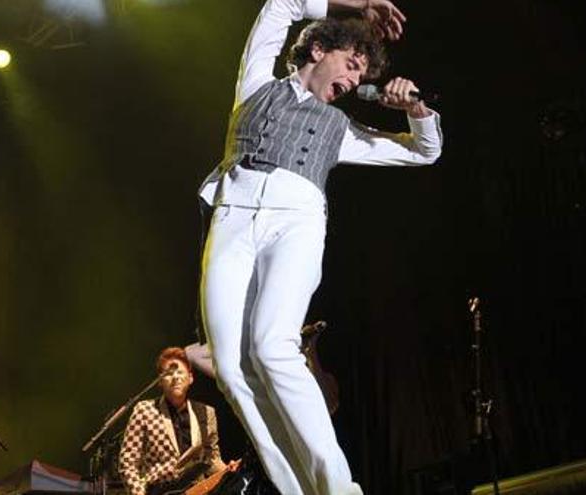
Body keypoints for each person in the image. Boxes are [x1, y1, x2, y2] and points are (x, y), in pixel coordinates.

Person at [196, 0, 443, 493]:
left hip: (297, 220)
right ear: (317, 47)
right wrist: (361, 5)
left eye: (362, 75)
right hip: (232, 216)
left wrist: (416, 110)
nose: (354, 80)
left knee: (272, 346)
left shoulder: (343, 130)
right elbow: (280, 4)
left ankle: (339, 488)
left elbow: (425, 152)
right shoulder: (256, 86)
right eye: (352, 64)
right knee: (229, 363)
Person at [118, 347, 237, 495]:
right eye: (169, 373)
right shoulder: (144, 410)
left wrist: (227, 471)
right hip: (158, 489)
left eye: (180, 372)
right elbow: (127, 463)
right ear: (160, 381)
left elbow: (211, 458)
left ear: (191, 378)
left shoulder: (206, 412)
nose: (175, 377)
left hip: (196, 490)